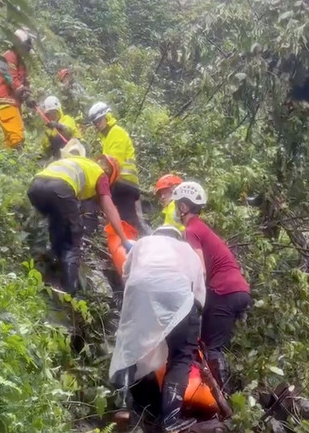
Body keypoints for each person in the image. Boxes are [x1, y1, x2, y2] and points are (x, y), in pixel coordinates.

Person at [109, 225, 206, 431]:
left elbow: (126, 276)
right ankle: (170, 420)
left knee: (130, 350)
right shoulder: (189, 251)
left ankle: (122, 407)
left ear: (157, 235)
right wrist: (191, 329)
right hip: (179, 294)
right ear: (178, 238)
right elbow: (199, 295)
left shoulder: (142, 244)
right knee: (180, 357)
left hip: (140, 292)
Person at [171, 181, 252, 393]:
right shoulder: (202, 227)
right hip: (238, 290)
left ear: (183, 207)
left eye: (176, 204)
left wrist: (192, 300)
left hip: (224, 290)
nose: (174, 208)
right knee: (213, 343)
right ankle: (224, 393)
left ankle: (221, 397)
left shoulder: (191, 230)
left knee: (211, 347)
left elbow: (199, 268)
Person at [28, 155, 134, 294]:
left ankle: (44, 272)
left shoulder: (81, 163)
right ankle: (69, 292)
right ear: (110, 175)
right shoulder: (101, 175)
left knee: (57, 229)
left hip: (36, 187)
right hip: (60, 189)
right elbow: (109, 207)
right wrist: (125, 240)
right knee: (72, 240)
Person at [87, 102, 151, 235]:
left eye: (99, 120)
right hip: (118, 183)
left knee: (129, 219)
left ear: (107, 117)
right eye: (95, 122)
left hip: (124, 182)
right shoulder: (108, 137)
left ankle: (144, 241)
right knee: (123, 217)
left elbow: (112, 162)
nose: (97, 125)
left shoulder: (116, 132)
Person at [0, 29, 35, 149]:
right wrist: (24, 92)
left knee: (10, 140)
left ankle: (3, 163)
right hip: (3, 100)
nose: (27, 51)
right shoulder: (9, 56)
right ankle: (18, 163)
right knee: (17, 138)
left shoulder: (20, 62)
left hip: (11, 102)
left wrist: (30, 96)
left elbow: (25, 81)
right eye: (26, 47)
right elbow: (11, 78)